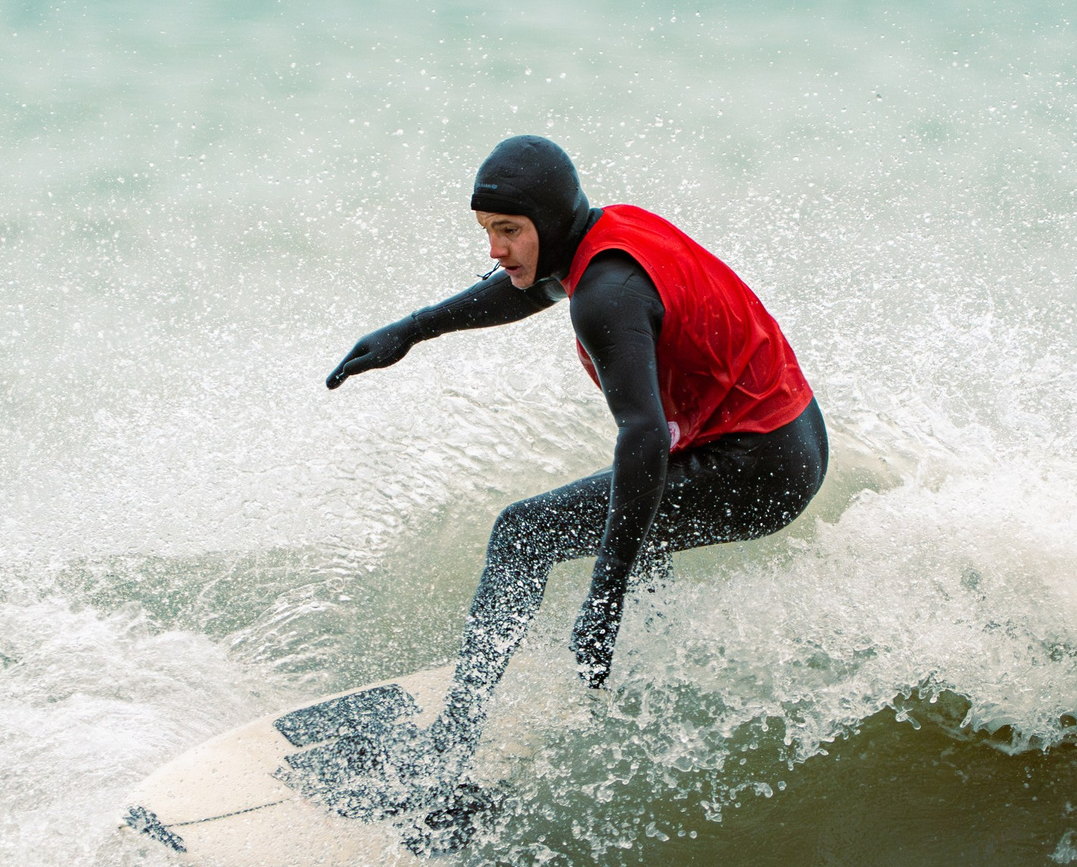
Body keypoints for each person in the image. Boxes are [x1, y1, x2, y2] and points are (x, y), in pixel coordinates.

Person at [326, 135, 827, 783]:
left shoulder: (607, 293)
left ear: (550, 223)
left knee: (523, 532)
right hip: (789, 434)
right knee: (635, 507)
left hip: (759, 465)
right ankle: (643, 695)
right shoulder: (605, 237)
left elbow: (643, 436)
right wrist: (411, 330)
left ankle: (447, 746)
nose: (494, 249)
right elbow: (528, 287)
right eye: (487, 230)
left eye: (508, 230)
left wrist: (603, 596)